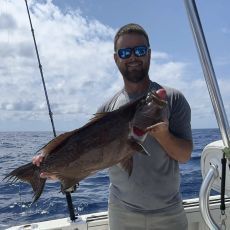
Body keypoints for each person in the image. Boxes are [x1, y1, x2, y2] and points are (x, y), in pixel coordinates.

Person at [33, 23, 193, 230]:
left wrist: (163, 134)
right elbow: (92, 159)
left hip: (169, 211)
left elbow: (185, 155)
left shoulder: (172, 99)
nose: (133, 57)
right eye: (125, 52)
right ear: (116, 58)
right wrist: (56, 171)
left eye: (140, 50)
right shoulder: (107, 109)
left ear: (149, 54)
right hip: (122, 213)